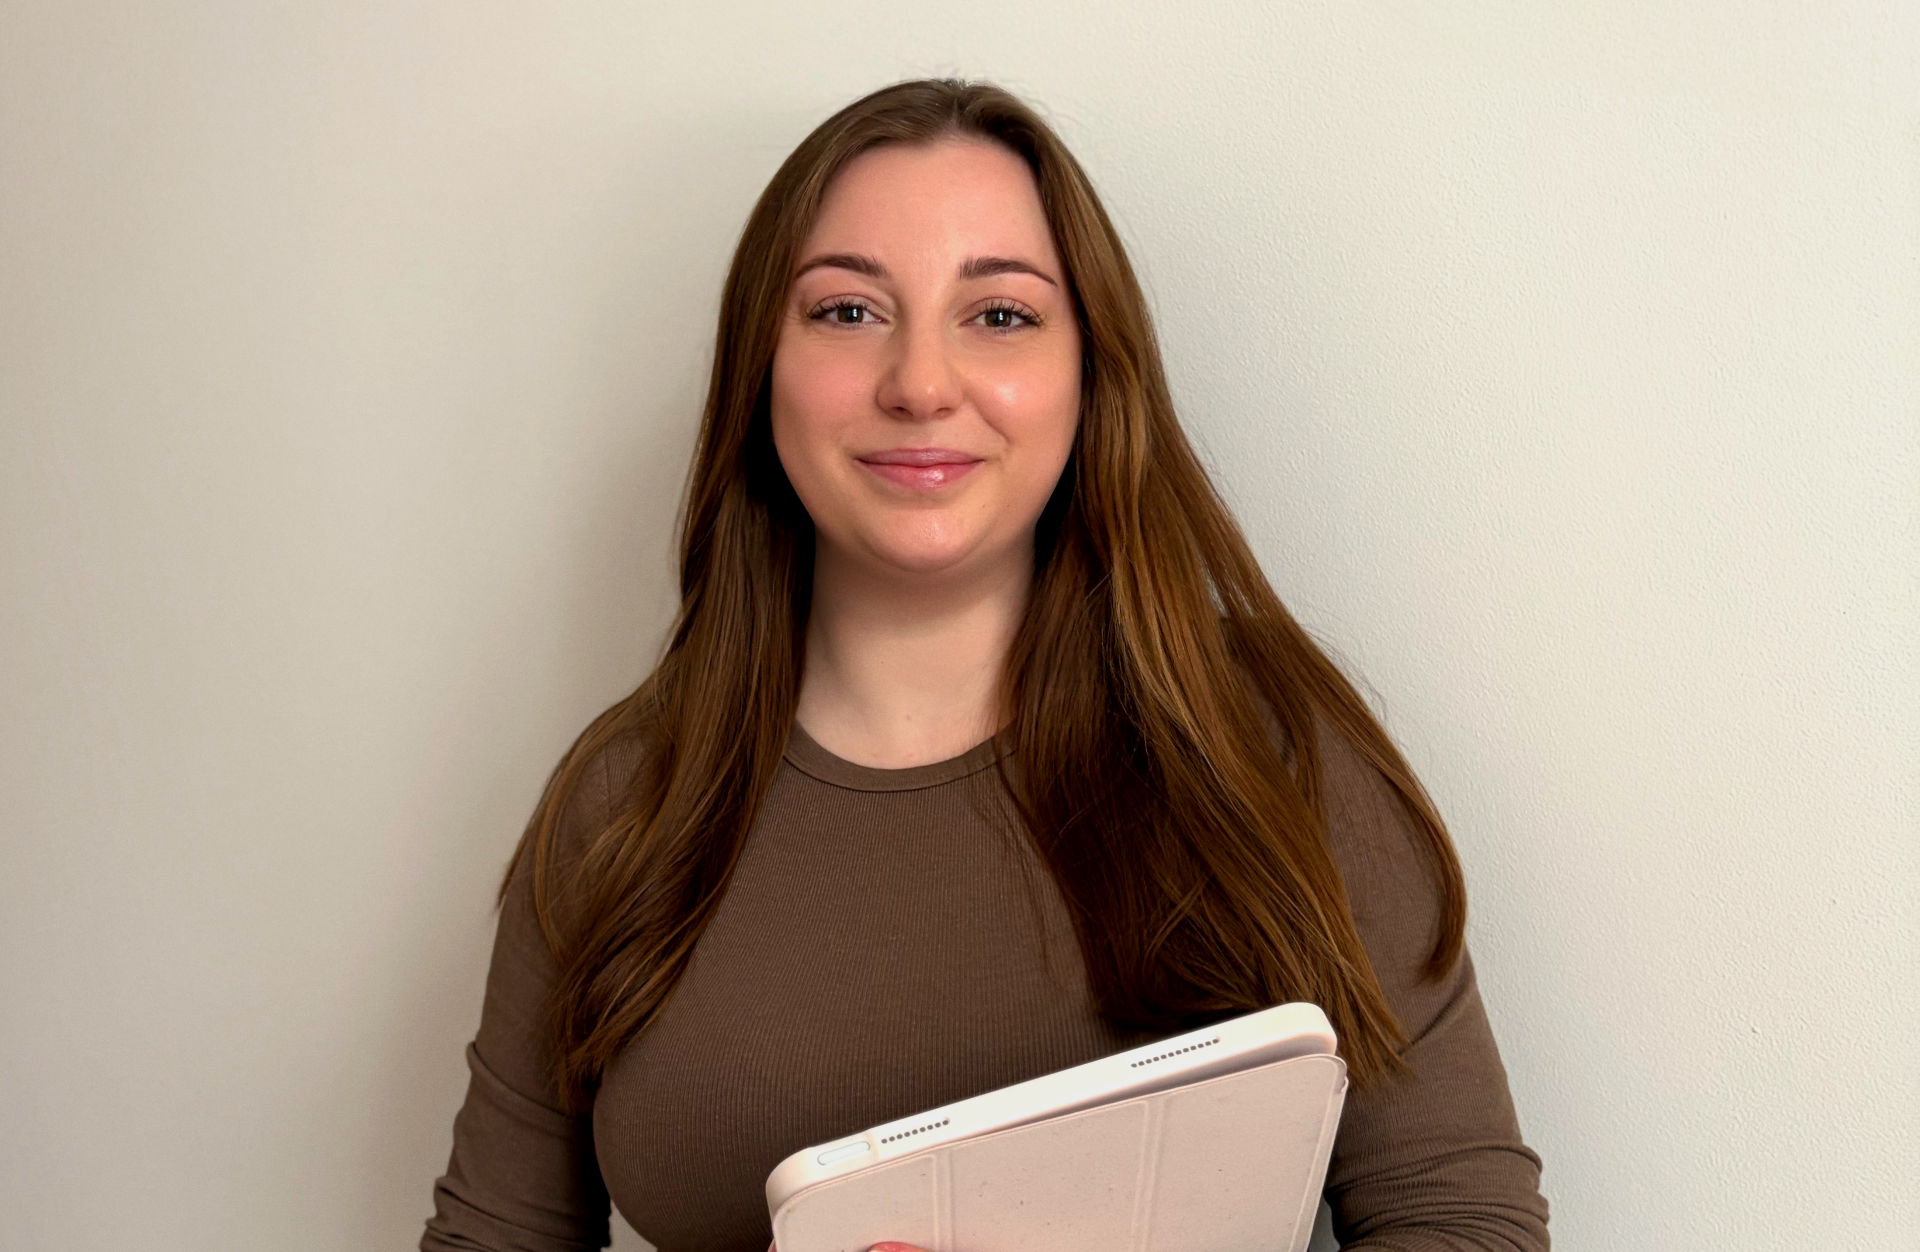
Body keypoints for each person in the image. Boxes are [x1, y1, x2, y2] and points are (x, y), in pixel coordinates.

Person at [421, 80, 1549, 1252]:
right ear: (762, 368)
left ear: (1091, 372)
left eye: (1000, 315)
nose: (919, 383)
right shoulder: (621, 806)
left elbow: (1464, 1222)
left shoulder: (1263, 749)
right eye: (847, 311)